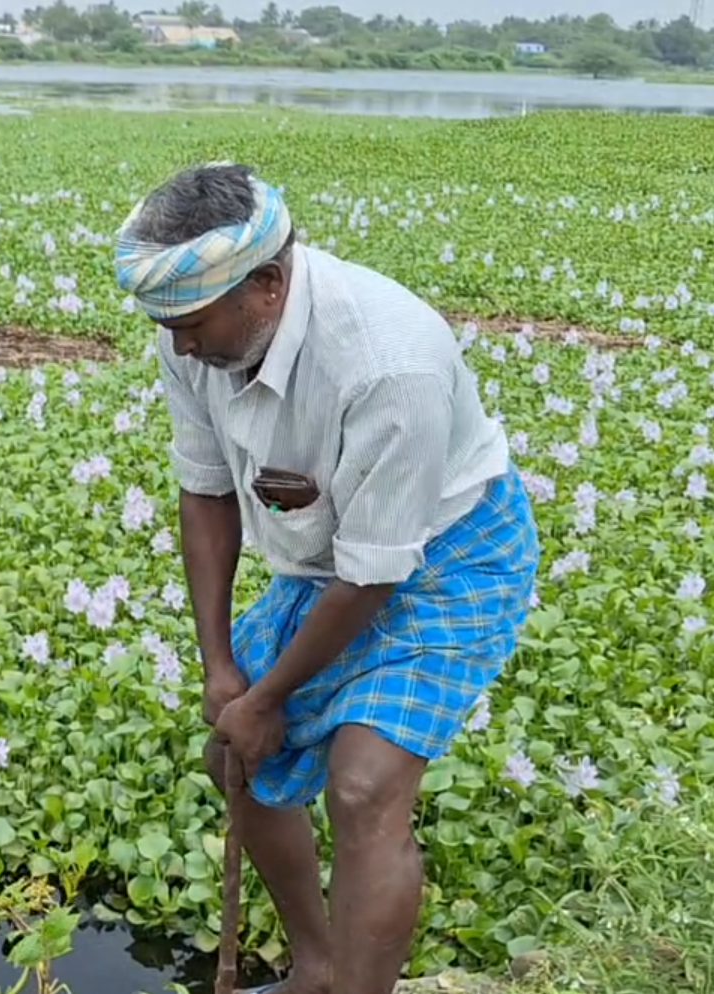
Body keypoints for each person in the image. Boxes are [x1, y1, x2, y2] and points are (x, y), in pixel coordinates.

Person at [112, 161, 541, 994]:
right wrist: (222, 672)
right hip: (331, 555)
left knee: (362, 785)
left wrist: (269, 695)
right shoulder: (194, 329)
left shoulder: (390, 365)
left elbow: (377, 576)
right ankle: (319, 962)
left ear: (267, 284)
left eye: (193, 325)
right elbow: (204, 493)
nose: (179, 346)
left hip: (453, 552)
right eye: (168, 327)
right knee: (232, 754)